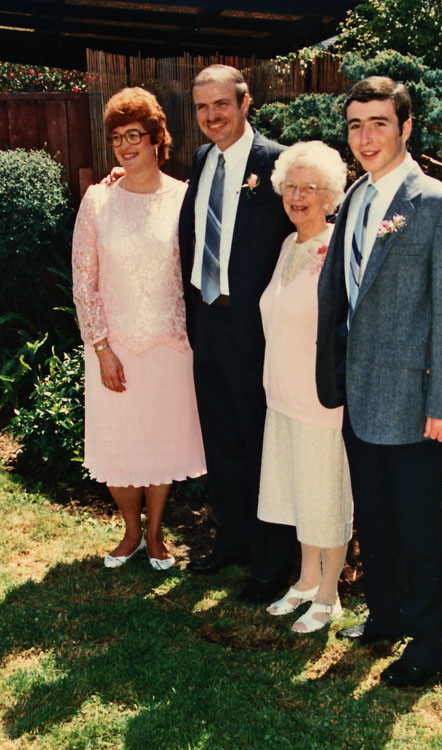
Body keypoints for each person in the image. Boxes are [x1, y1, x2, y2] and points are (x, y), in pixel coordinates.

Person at [316, 77, 442, 684]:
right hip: (358, 393)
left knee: (418, 525)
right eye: (356, 125)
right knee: (375, 518)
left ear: (406, 128)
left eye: (379, 123)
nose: (366, 136)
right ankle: (385, 615)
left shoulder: (439, 206)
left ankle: (430, 646)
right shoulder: (356, 197)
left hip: (414, 400)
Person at [72, 87, 205, 571]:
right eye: (117, 138)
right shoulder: (97, 200)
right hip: (115, 346)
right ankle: (129, 532)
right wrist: (102, 347)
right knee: (120, 442)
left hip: (169, 346)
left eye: (135, 135)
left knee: (160, 441)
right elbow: (83, 282)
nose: (126, 146)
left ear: (156, 139)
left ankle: (154, 534)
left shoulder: (183, 198)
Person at [178, 64, 296, 603]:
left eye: (221, 105)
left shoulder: (275, 162)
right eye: (202, 107)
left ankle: (273, 563)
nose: (211, 116)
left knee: (261, 441)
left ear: (245, 103)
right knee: (221, 438)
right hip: (209, 321)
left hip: (258, 331)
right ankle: (232, 540)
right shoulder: (203, 159)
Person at [257, 141, 352, 633]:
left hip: (321, 399)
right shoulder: (287, 245)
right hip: (282, 394)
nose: (298, 197)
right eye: (290, 187)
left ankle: (330, 593)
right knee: (299, 492)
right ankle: (307, 577)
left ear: (330, 195)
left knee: (325, 495)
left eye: (309, 188)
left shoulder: (338, 250)